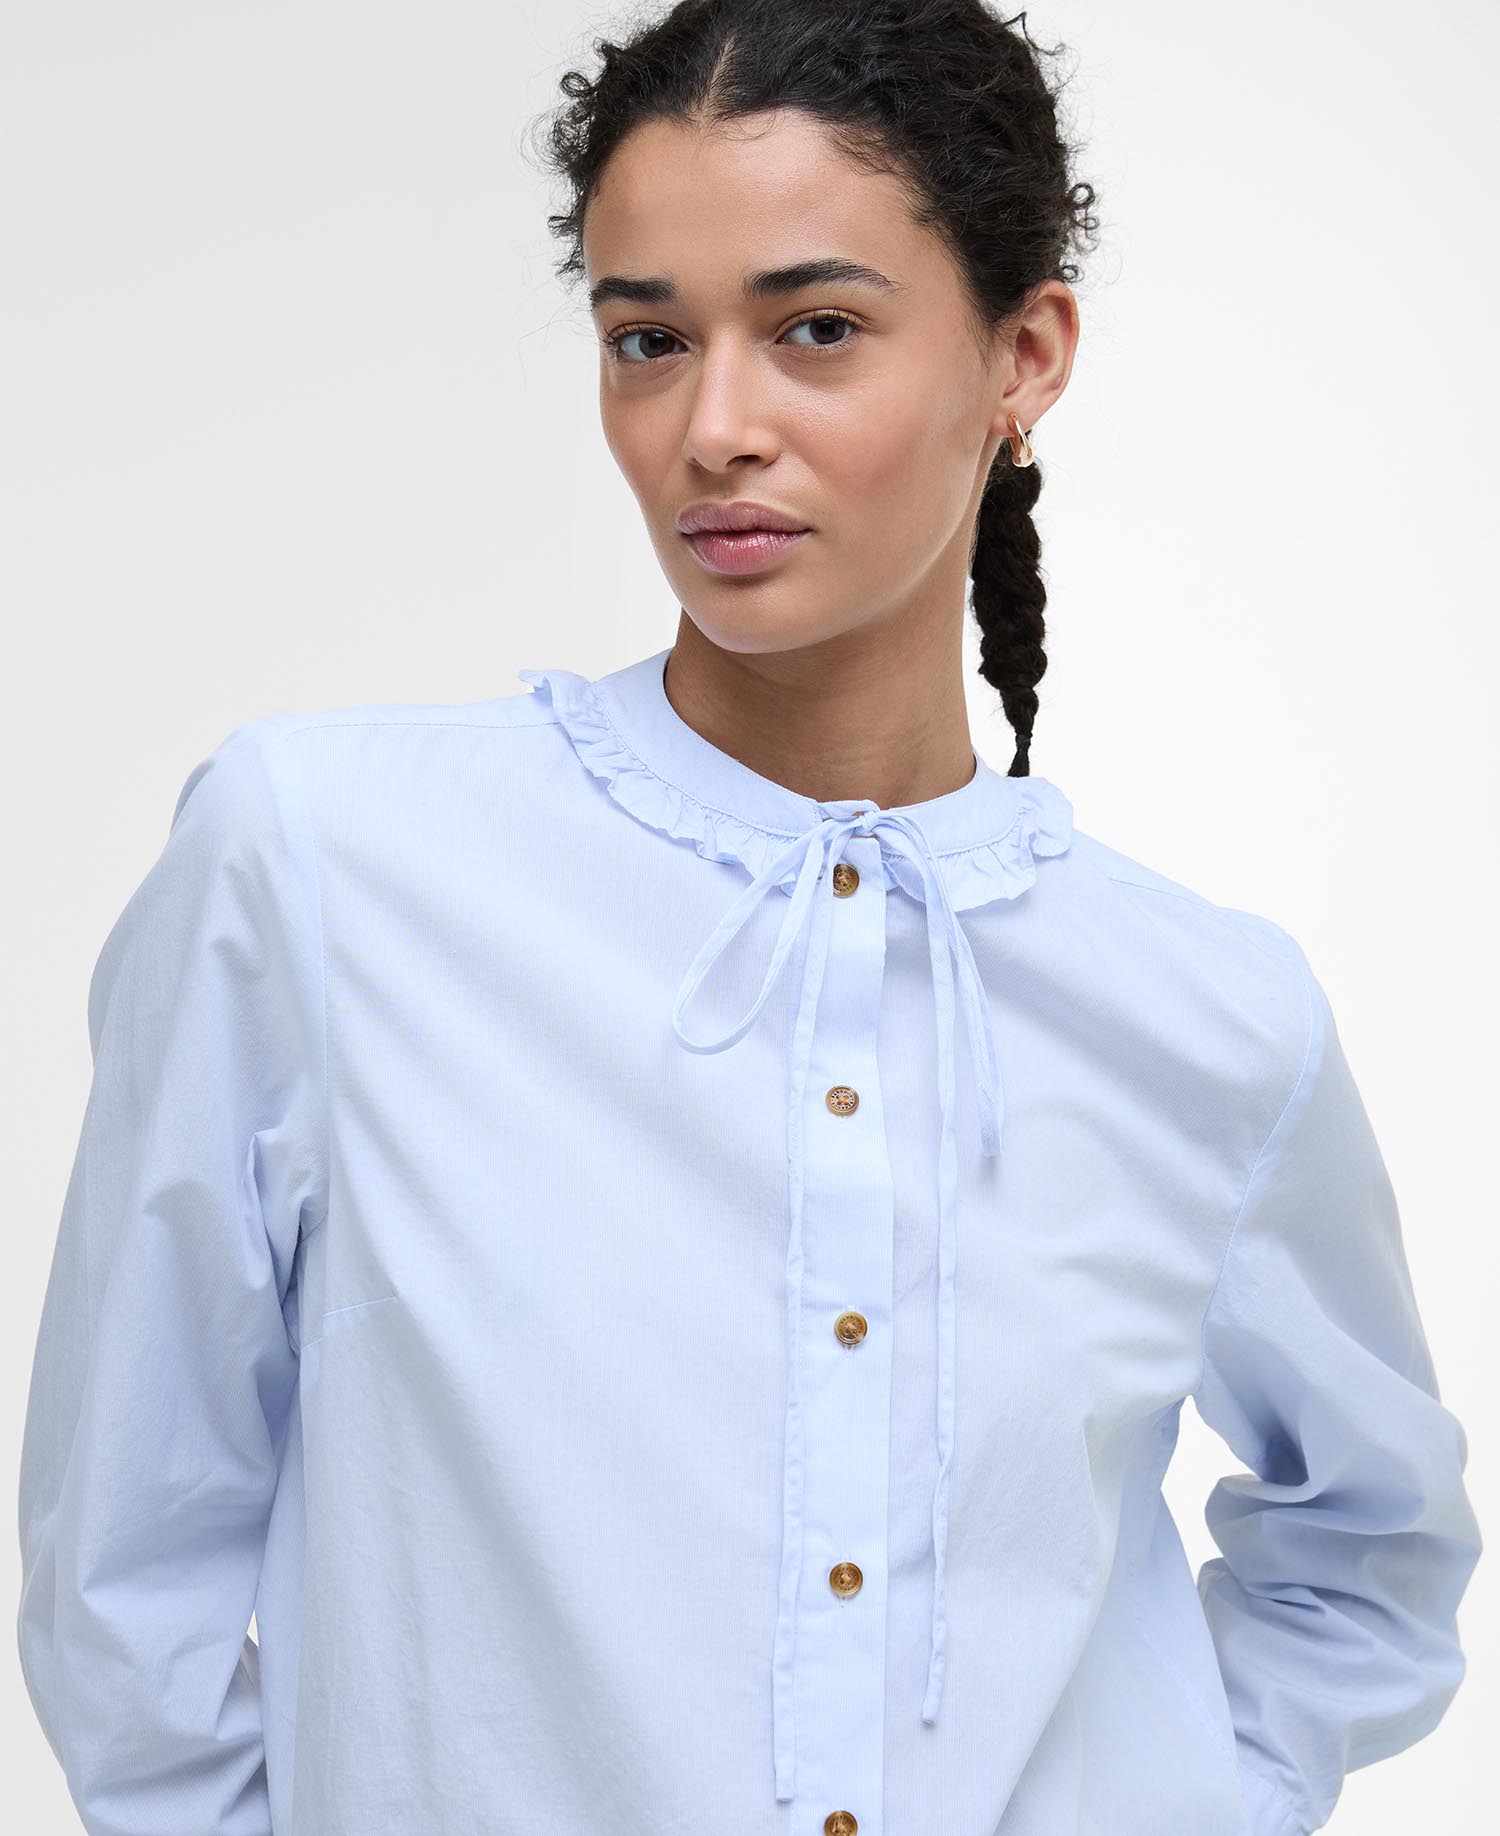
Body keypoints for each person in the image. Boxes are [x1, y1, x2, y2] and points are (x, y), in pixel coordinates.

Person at [16, 2, 1481, 1833]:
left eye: (817, 330)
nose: (714, 428)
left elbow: (1372, 1557)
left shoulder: (1211, 1013)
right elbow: (123, 1588)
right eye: (648, 340)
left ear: (1024, 355)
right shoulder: (319, 868)